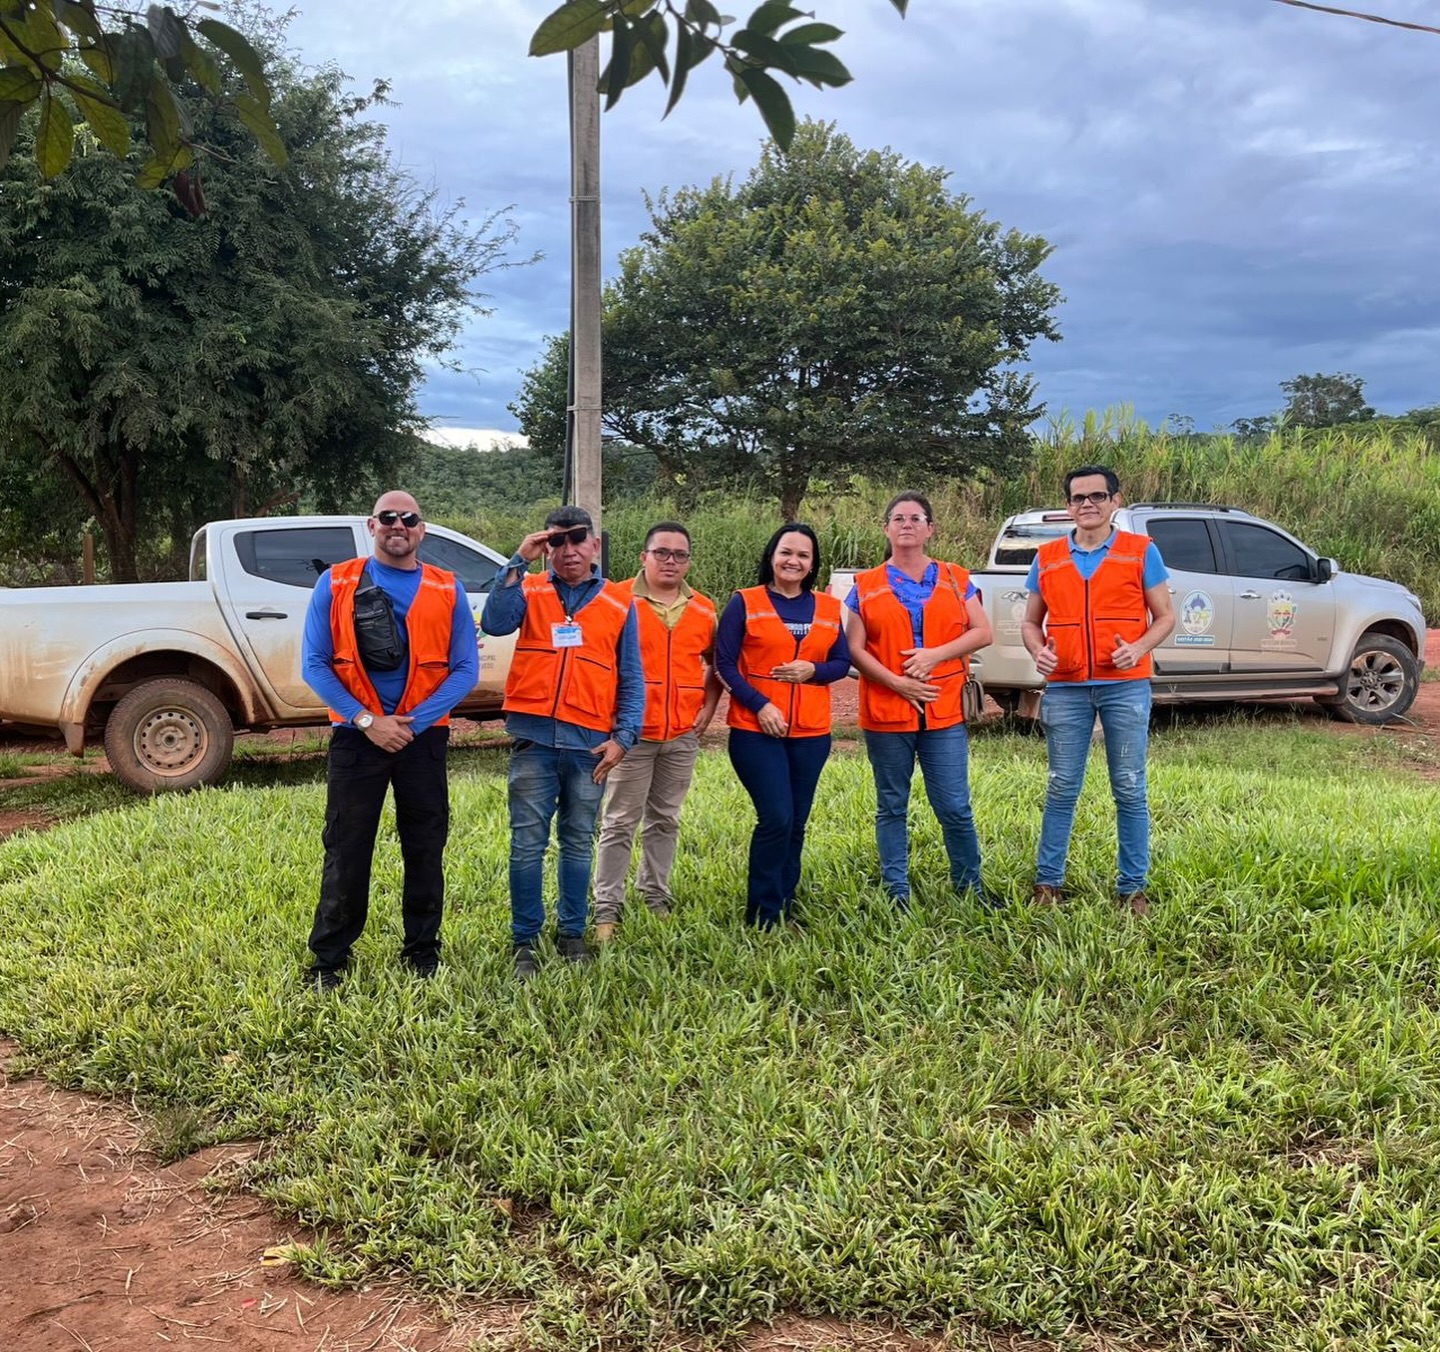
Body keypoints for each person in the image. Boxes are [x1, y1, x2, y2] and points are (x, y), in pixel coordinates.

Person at [301, 491, 479, 988]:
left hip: (423, 739)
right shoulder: (336, 582)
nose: (398, 525)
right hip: (356, 738)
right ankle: (330, 958)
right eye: (388, 517)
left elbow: (466, 669)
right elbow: (314, 664)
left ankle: (422, 950)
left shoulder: (447, 587)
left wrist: (411, 725)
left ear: (422, 529)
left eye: (409, 518)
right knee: (346, 846)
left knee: (425, 845)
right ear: (372, 525)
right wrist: (367, 721)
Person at [480, 505, 644, 979]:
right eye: (557, 541)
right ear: (547, 547)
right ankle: (525, 941)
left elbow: (632, 678)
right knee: (527, 844)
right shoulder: (529, 588)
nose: (568, 549)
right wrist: (518, 559)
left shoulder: (619, 603)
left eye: (577, 539)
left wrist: (624, 738)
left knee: (577, 842)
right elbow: (495, 623)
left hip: (590, 745)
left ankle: (572, 933)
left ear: (595, 544)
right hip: (534, 740)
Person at [1020, 465, 1175, 914]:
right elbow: (1030, 622)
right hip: (1066, 688)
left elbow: (1165, 616)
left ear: (1115, 501)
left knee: (1129, 787)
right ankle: (1048, 884)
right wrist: (1038, 652)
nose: (1087, 504)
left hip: (1124, 687)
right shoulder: (1048, 557)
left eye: (1097, 496)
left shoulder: (1140, 551)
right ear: (1068, 506)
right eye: (1078, 498)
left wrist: (1139, 648)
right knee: (1061, 787)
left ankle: (1132, 888)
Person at [843, 491, 996, 912]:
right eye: (898, 518)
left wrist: (934, 656)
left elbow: (982, 632)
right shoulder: (865, 585)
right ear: (886, 529)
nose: (907, 524)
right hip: (886, 711)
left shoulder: (955, 578)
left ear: (930, 529)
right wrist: (897, 682)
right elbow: (853, 648)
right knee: (891, 805)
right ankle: (897, 892)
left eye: (915, 518)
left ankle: (970, 887)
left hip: (944, 711)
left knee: (955, 806)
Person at [715, 523, 851, 930]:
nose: (794, 561)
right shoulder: (745, 602)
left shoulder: (828, 607)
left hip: (811, 733)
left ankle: (785, 904)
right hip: (755, 731)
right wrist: (760, 705)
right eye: (786, 552)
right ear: (772, 556)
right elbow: (724, 663)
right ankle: (763, 914)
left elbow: (842, 663)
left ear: (812, 564)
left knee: (796, 822)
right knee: (776, 817)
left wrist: (814, 670)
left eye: (803, 555)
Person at [591, 522, 722, 941]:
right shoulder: (615, 599)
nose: (670, 561)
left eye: (679, 555)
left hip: (681, 735)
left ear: (688, 562)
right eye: (661, 552)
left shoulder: (703, 609)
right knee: (619, 822)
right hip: (631, 736)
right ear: (644, 557)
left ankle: (655, 896)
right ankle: (607, 907)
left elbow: (716, 664)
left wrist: (708, 708)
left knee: (665, 819)